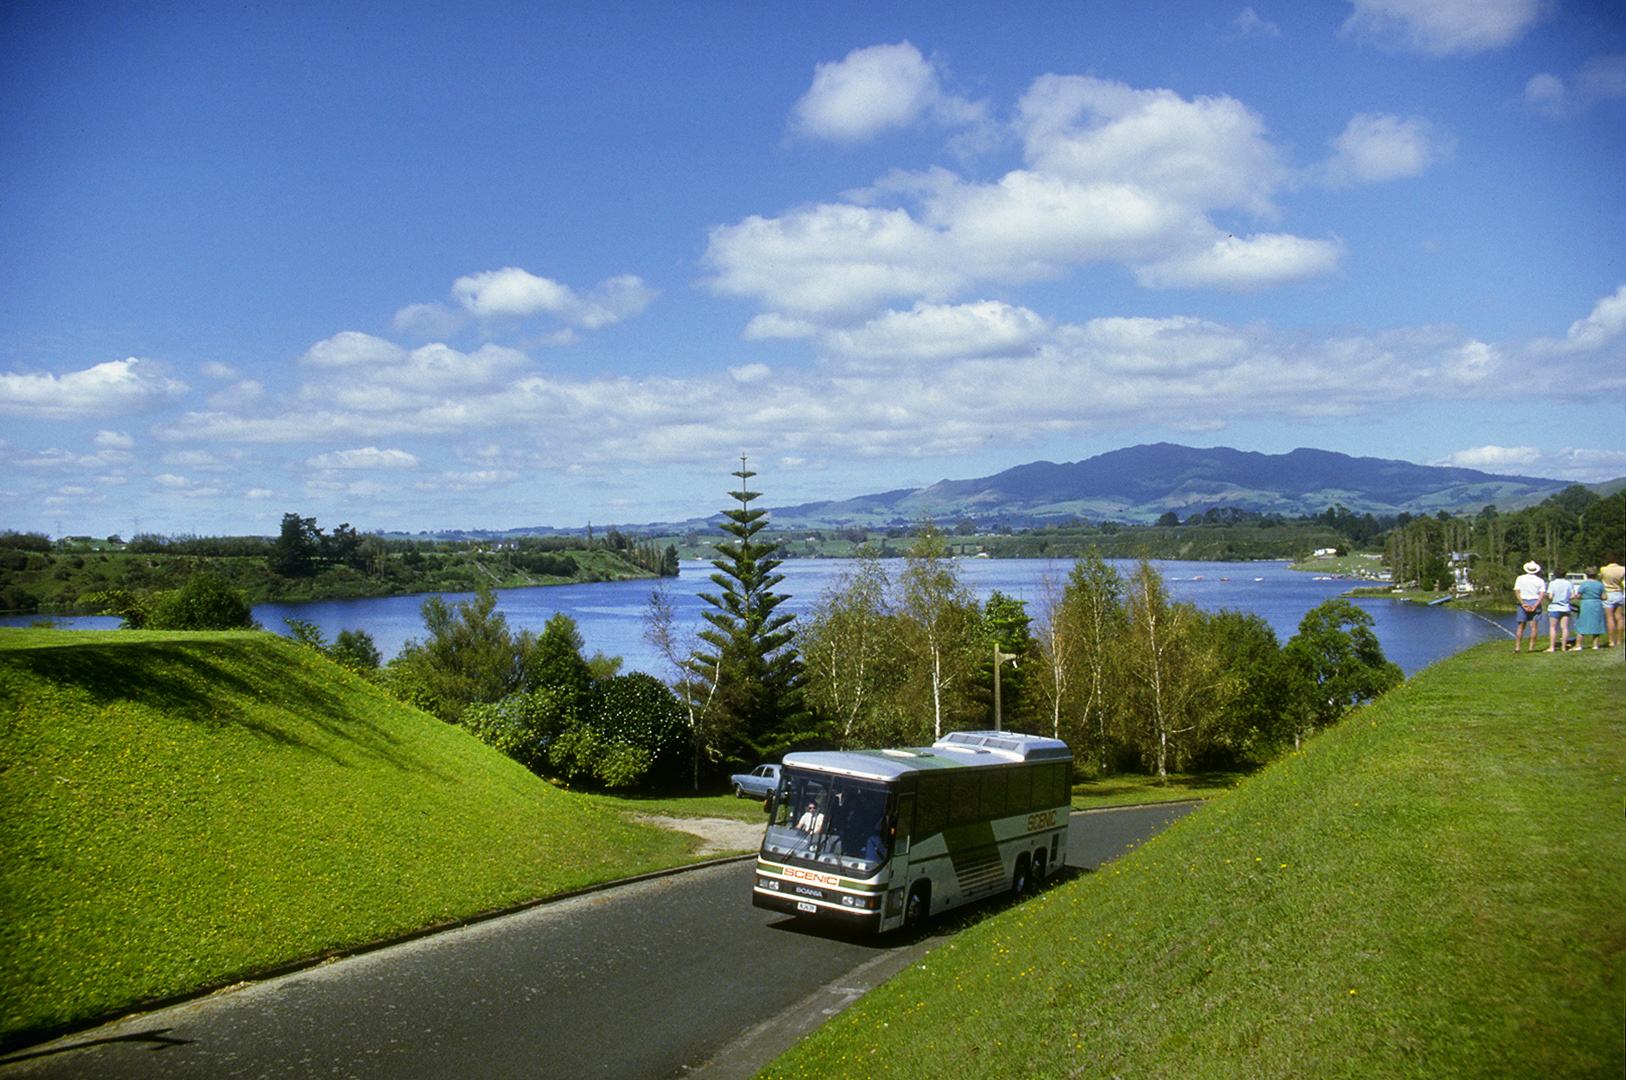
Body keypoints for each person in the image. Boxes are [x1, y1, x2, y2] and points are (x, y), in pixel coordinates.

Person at [1513, 561, 1547, 654]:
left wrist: (1522, 603)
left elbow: (1516, 591)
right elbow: (1542, 594)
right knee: (1533, 626)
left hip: (1523, 601)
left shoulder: (1520, 578)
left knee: (1521, 626)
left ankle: (1517, 648)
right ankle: (1531, 648)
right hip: (1535, 601)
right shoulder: (1540, 580)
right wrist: (1535, 605)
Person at [1573, 569, 1608, 649]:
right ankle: (1595, 644)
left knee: (1581, 623)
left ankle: (1578, 645)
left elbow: (1578, 596)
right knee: (1596, 623)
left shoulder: (1584, 584)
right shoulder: (1600, 584)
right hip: (1596, 604)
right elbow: (1604, 597)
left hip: (1586, 604)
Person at [1545, 568, 1575, 652]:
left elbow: (1550, 596)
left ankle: (1552, 647)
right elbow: (1573, 595)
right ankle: (1564, 647)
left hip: (1555, 607)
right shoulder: (1569, 583)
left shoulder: (1553, 583)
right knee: (1565, 628)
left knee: (1553, 628)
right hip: (1565, 607)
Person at [1601, 558, 1624, 648]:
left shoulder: (1604, 569)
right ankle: (1619, 640)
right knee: (1619, 617)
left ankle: (1611, 641)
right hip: (1618, 593)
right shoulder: (1622, 569)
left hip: (1608, 593)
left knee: (1609, 618)